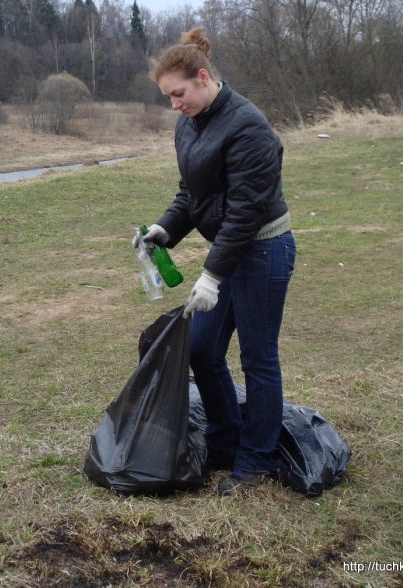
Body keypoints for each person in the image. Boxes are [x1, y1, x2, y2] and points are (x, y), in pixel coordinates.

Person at [135, 27, 296, 496]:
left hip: (263, 251)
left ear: (203, 79)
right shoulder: (190, 122)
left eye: (178, 94)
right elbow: (192, 193)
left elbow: (246, 213)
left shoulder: (249, 127)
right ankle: (225, 441)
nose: (174, 105)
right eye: (168, 97)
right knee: (203, 350)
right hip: (228, 250)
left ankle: (254, 461)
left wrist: (212, 275)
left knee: (258, 359)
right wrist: (164, 229)